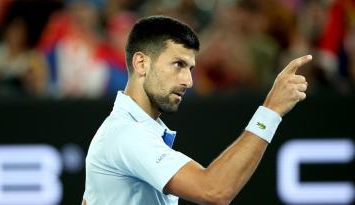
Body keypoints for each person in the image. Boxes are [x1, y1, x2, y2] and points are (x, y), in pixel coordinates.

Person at [82, 16, 312, 205]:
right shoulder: (127, 134)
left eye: (190, 68)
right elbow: (214, 190)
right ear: (141, 63)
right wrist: (271, 111)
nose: (188, 81)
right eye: (178, 64)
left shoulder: (125, 131)